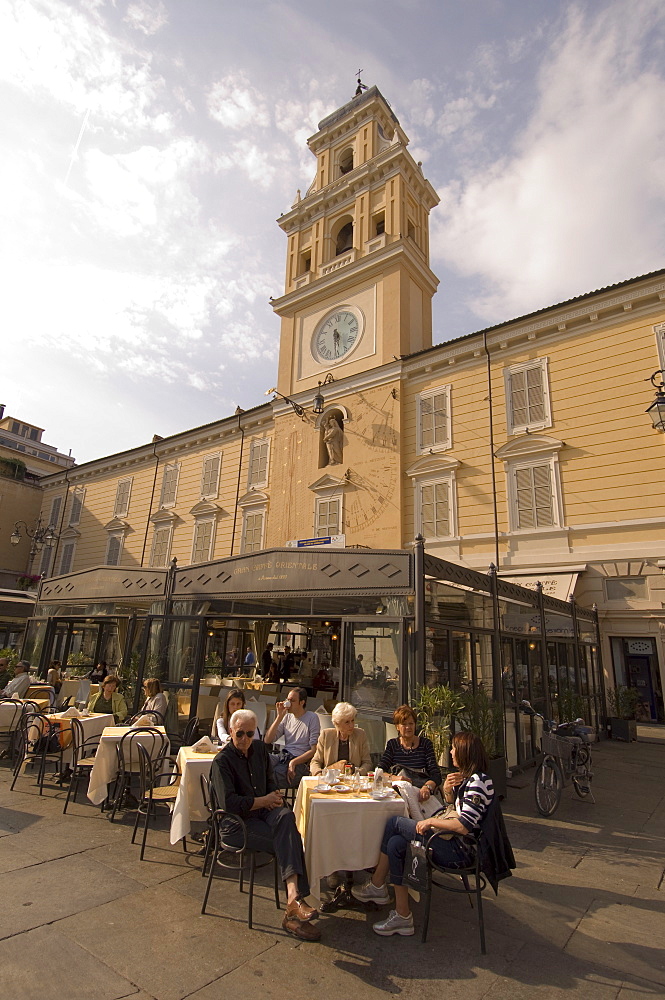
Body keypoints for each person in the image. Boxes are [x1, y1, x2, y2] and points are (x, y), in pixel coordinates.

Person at [352, 730, 495, 936]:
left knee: (394, 823)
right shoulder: (468, 779)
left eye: (454, 748)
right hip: (452, 842)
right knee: (395, 844)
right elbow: (455, 809)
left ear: (465, 753)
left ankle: (377, 884)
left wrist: (429, 821)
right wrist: (447, 790)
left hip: (459, 850)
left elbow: (464, 825)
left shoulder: (479, 782)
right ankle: (403, 916)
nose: (451, 752)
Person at [210, 708, 321, 941]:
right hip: (235, 825)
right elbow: (228, 804)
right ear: (231, 731)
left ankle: (293, 901)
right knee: (290, 840)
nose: (245, 740)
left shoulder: (259, 749)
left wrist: (275, 797)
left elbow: (270, 781)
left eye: (250, 734)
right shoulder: (222, 761)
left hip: (262, 814)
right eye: (240, 734)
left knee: (286, 818)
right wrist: (263, 800)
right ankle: (294, 907)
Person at [379, 704, 442, 802]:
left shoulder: (425, 744)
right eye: (404, 724)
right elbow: (380, 771)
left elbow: (436, 775)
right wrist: (396, 778)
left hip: (420, 794)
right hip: (399, 795)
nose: (408, 727)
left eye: (411, 723)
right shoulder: (392, 744)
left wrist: (427, 787)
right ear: (397, 727)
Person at [265, 687, 320, 787]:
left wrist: (293, 762)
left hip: (299, 760)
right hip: (283, 756)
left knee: (273, 775)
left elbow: (313, 750)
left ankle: (273, 800)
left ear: (302, 702)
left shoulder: (312, 718)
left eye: (292, 701)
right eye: (287, 700)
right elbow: (268, 740)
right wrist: (279, 717)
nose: (288, 703)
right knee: (259, 759)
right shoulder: (287, 717)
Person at [310, 702, 372, 775]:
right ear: (337, 723)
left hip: (352, 779)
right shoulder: (326, 735)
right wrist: (319, 774)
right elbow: (315, 762)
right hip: (331, 778)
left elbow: (367, 763)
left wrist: (357, 773)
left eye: (352, 720)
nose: (351, 725)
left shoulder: (360, 734)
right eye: (347, 722)